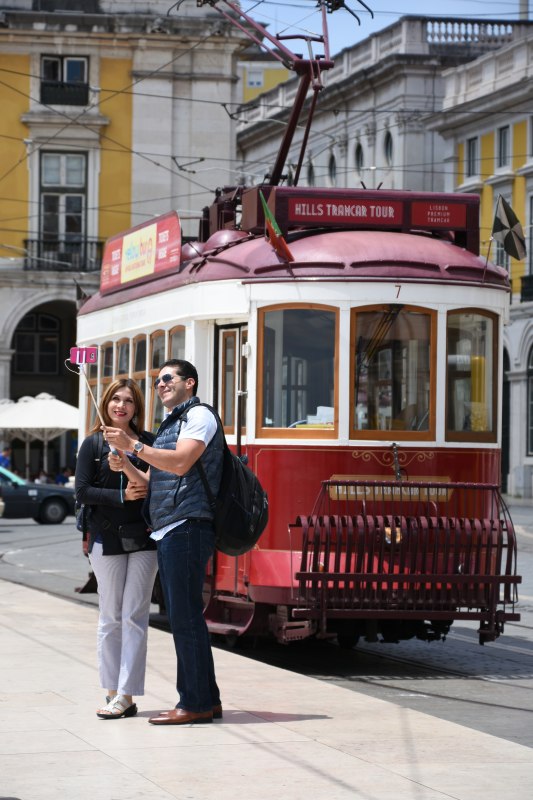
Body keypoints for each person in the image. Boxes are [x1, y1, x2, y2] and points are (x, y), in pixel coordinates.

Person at [104, 359, 223, 726]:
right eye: (157, 380)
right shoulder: (171, 422)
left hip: (187, 525)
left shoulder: (199, 416)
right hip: (171, 527)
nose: (160, 384)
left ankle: (194, 702)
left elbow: (183, 462)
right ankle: (206, 699)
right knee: (184, 616)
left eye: (168, 378)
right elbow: (153, 478)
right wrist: (124, 464)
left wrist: (134, 445)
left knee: (185, 617)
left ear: (191, 382)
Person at [75, 378, 158, 720]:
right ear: (106, 403)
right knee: (110, 617)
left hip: (144, 538)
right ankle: (111, 690)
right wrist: (120, 495)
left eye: (128, 401)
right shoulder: (93, 444)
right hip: (105, 537)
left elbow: (157, 487)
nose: (121, 405)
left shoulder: (149, 443)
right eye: (115, 399)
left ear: (136, 408)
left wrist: (128, 466)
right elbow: (82, 492)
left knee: (135, 616)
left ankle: (126, 695)